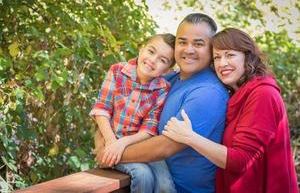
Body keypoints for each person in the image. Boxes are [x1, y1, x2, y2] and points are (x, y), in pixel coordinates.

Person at [97, 13, 230, 193]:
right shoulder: (166, 81)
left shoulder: (208, 93)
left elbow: (165, 146)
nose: (188, 49)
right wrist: (103, 139)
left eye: (198, 44)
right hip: (149, 179)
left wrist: (109, 152)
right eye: (182, 42)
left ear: (211, 49)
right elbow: (112, 109)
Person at [163, 28, 299, 193]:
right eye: (217, 57)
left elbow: (242, 161)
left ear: (247, 56)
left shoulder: (263, 94)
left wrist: (190, 138)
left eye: (230, 55)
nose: (222, 63)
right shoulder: (236, 94)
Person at [90, 33, 177, 193]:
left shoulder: (163, 88)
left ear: (168, 70)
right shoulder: (117, 71)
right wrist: (111, 142)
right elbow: (101, 109)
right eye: (151, 51)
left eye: (162, 60)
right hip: (110, 141)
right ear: (141, 49)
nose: (153, 60)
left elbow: (149, 128)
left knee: (165, 186)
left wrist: (123, 143)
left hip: (140, 145)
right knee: (143, 176)